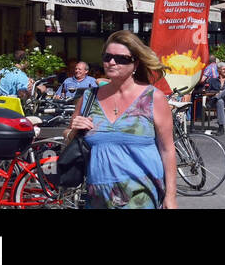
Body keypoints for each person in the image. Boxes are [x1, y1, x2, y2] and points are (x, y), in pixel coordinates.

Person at [67, 30, 177, 209]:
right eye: (107, 57)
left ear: (135, 63)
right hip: (98, 198)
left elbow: (167, 149)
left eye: (121, 58)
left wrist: (171, 196)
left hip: (140, 196)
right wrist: (73, 129)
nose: (111, 62)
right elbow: (69, 139)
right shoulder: (89, 98)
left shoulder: (152, 98)